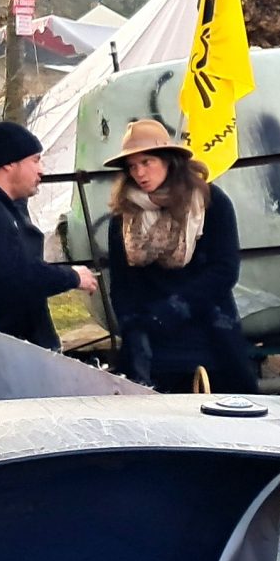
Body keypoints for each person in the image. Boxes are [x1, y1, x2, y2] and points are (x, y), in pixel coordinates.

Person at [99, 118, 254, 391]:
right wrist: (134, 330)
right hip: (153, 339)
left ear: (169, 160)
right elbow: (121, 285)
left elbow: (224, 270)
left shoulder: (211, 203)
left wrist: (173, 310)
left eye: (147, 162)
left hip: (209, 329)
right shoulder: (123, 217)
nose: (139, 173)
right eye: (132, 166)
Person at [0, 120, 95, 350]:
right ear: (8, 163)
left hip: (18, 346)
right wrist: (72, 276)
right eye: (35, 160)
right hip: (6, 351)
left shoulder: (2, 208)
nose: (41, 170)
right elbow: (13, 277)